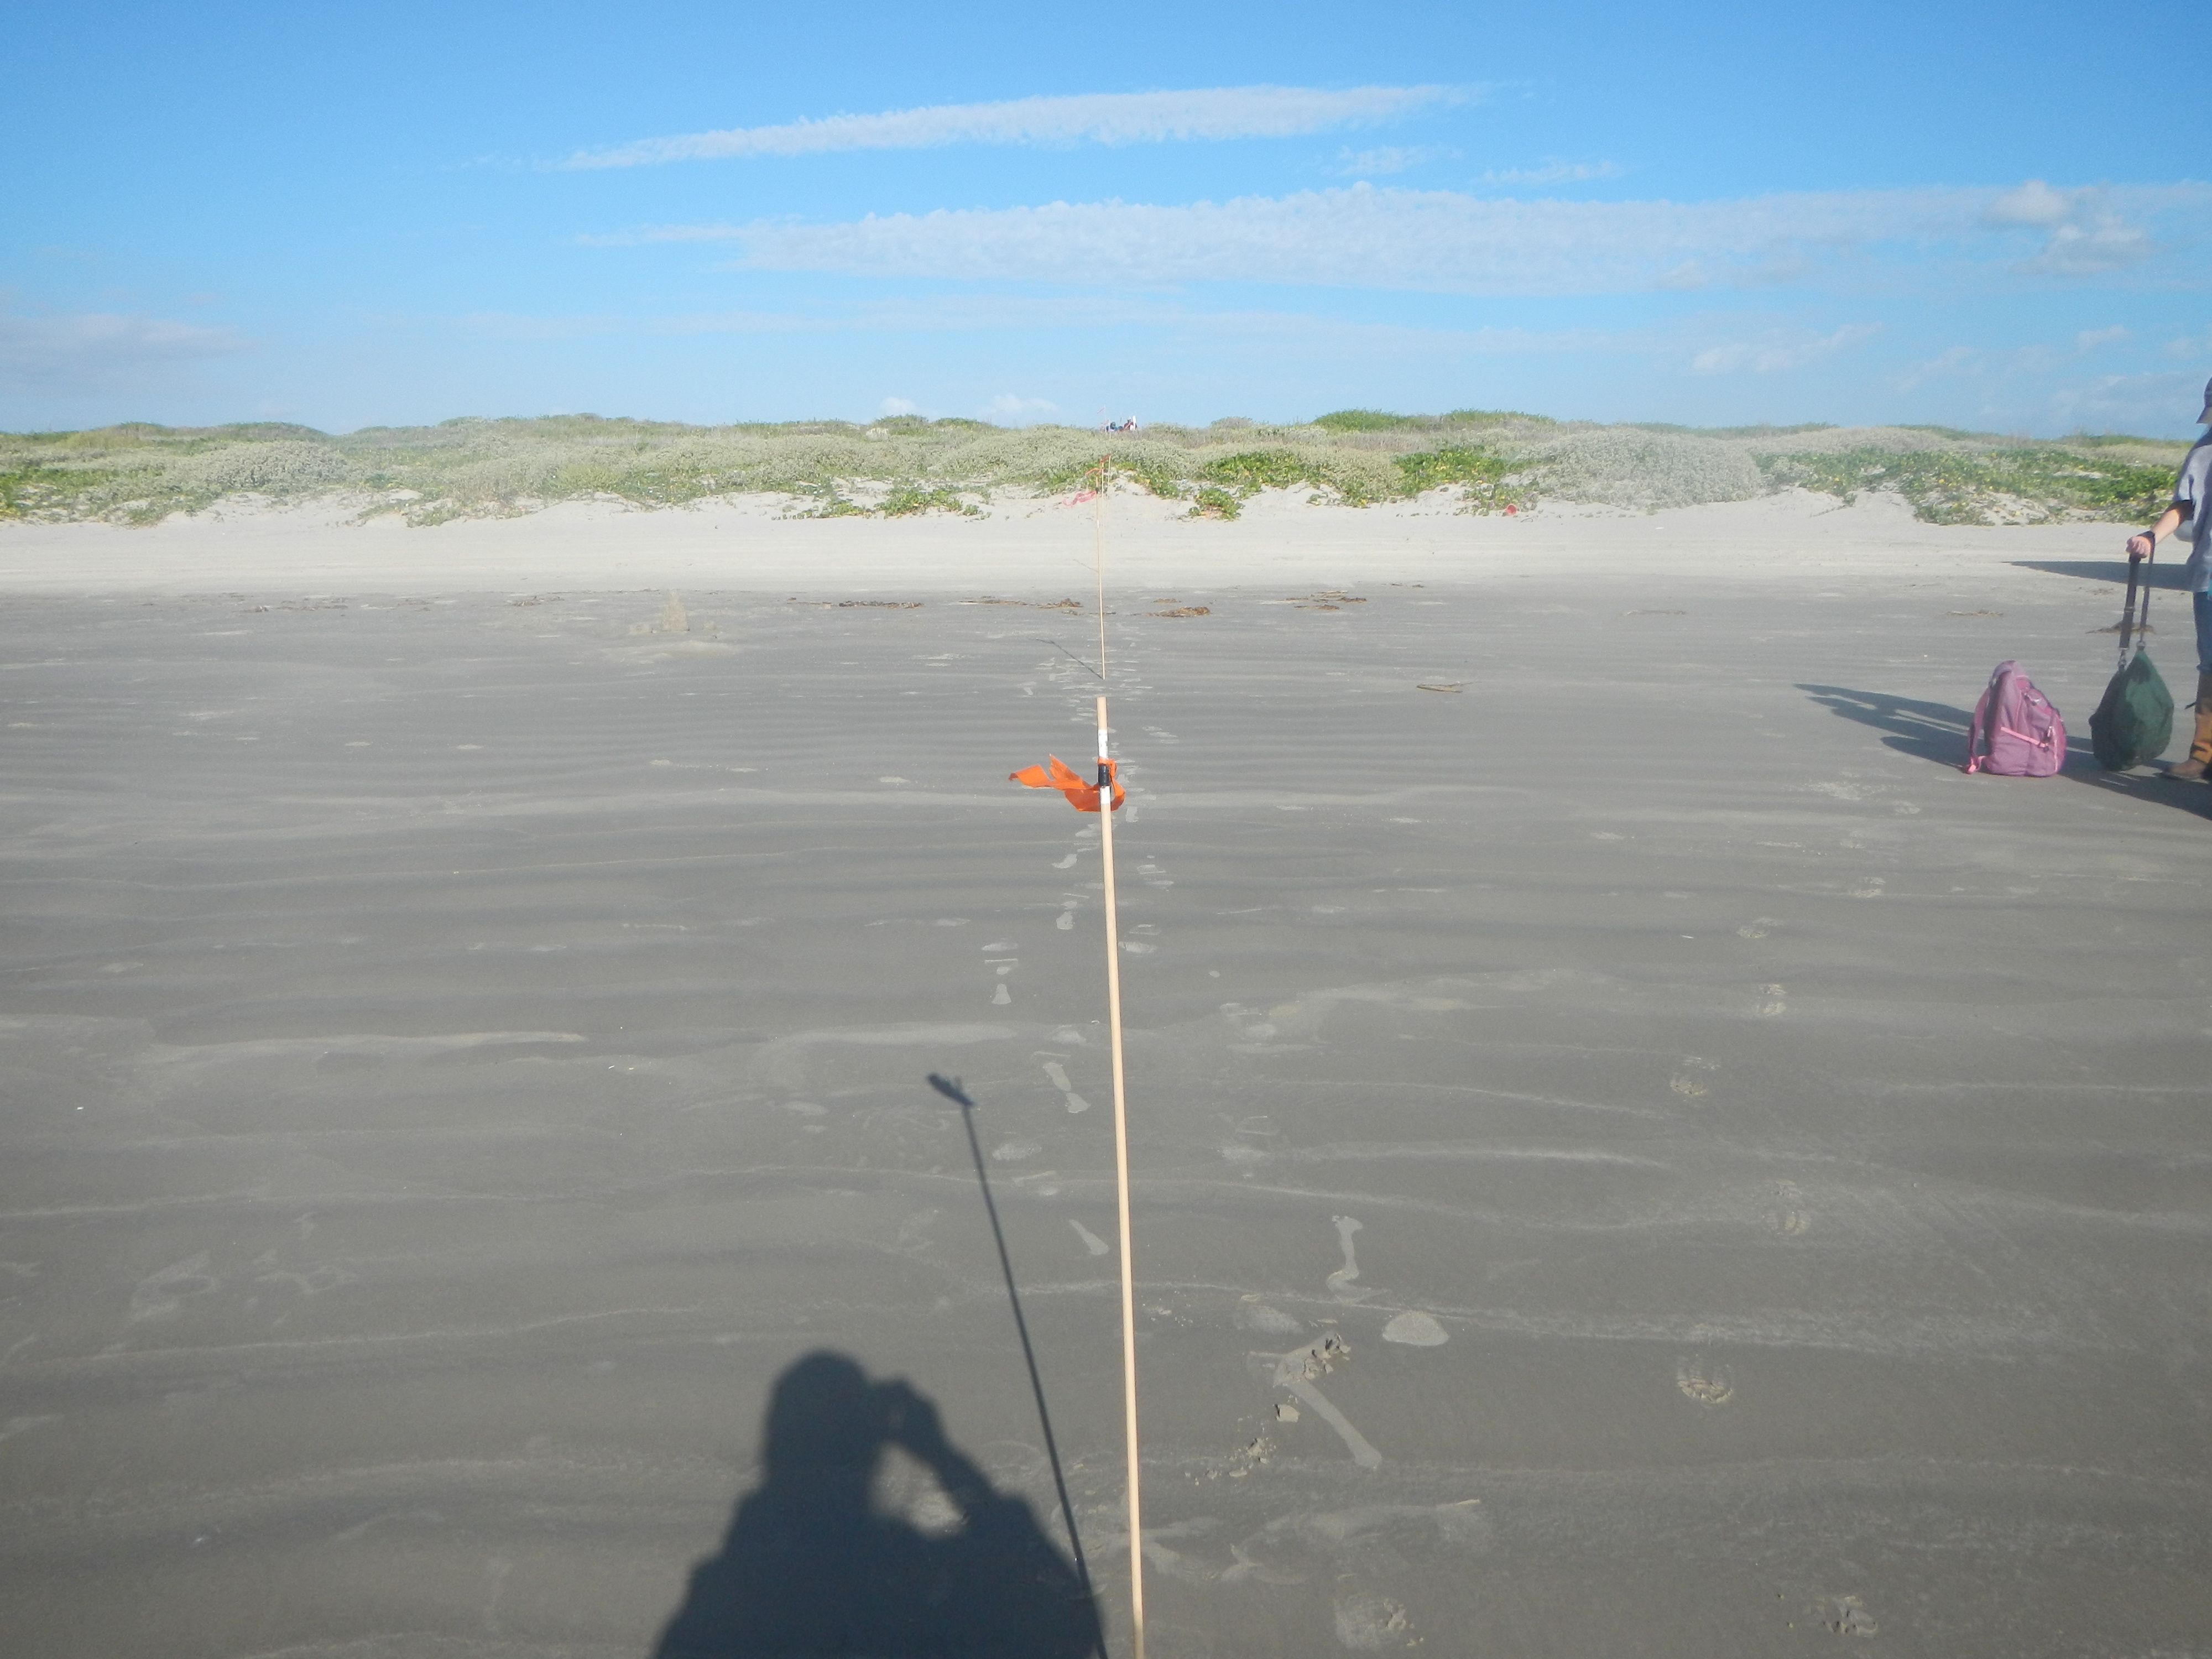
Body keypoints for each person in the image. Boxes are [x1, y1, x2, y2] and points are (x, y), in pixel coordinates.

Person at [2127, 378, 2212, 779]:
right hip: (2209, 573)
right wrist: (2151, 536)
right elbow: (2184, 505)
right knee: (2210, 664)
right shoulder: (2204, 450)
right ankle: (2204, 753)